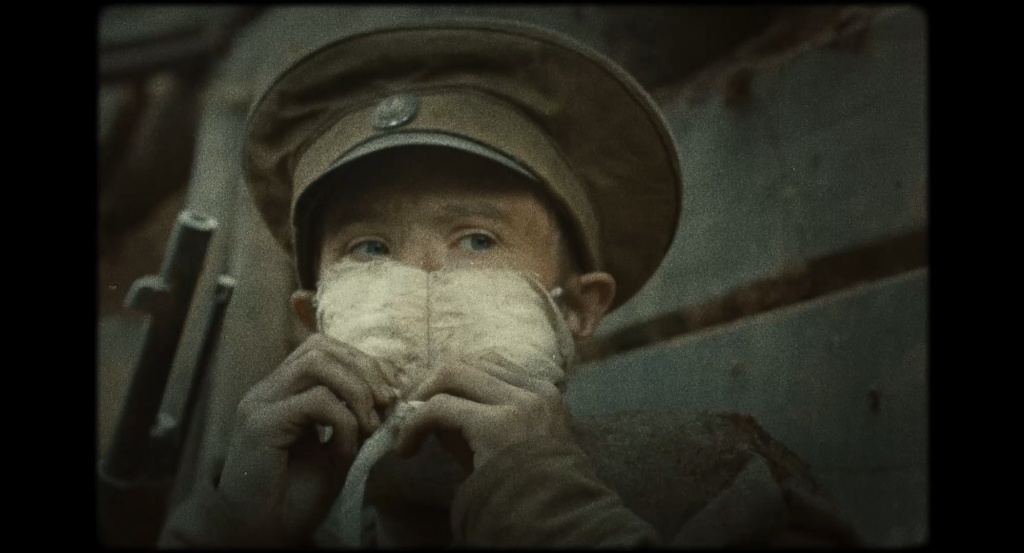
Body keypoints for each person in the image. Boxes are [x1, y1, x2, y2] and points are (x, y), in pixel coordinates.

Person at [158, 20, 862, 548]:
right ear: (314, 320)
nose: (422, 277)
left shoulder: (712, 482)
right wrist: (231, 530)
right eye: (370, 248)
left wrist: (546, 506)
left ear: (578, 307)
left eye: (477, 240)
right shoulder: (277, 515)